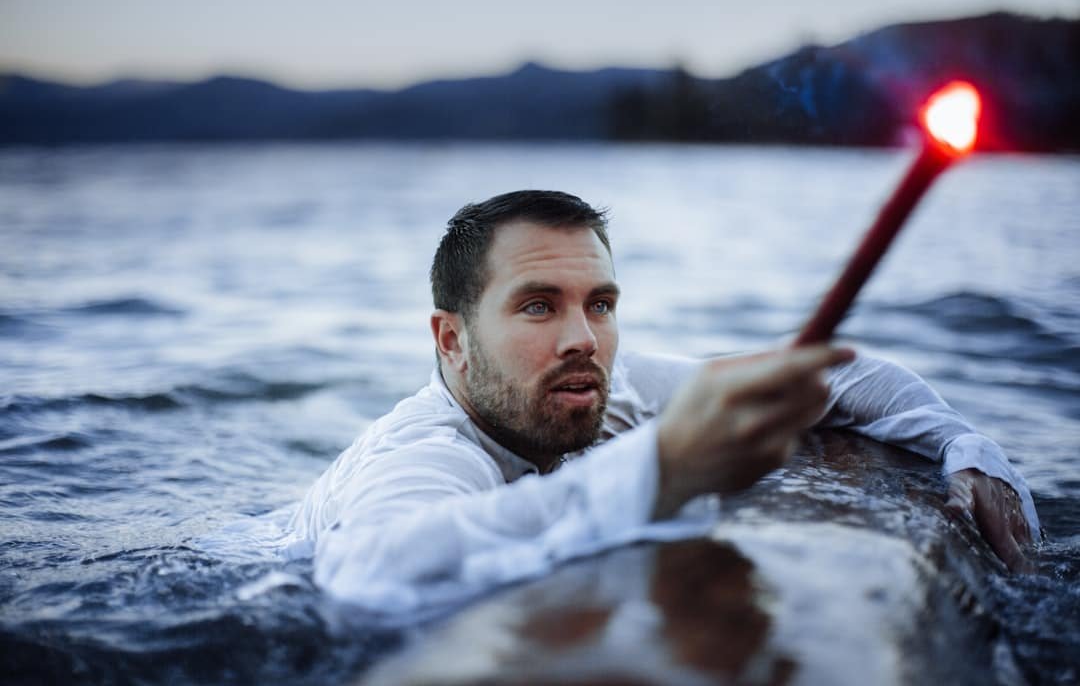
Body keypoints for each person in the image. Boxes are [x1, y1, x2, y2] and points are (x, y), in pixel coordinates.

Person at [288, 190, 1038, 612]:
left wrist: (970, 452)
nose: (583, 337)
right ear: (450, 340)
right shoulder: (425, 451)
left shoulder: (602, 387)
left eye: (601, 304)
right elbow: (366, 575)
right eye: (539, 307)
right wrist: (665, 468)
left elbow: (836, 375)